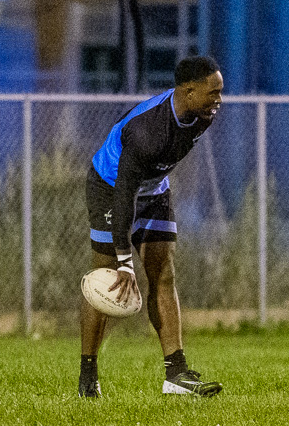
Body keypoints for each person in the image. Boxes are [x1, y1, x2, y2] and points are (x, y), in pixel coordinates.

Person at [80, 55, 226, 399]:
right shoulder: (147, 132)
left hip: (155, 188)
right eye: (213, 93)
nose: (219, 100)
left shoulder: (202, 114)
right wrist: (124, 260)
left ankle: (175, 374)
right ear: (188, 91)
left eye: (221, 92)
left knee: (164, 274)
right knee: (104, 276)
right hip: (111, 189)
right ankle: (88, 376)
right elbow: (124, 194)